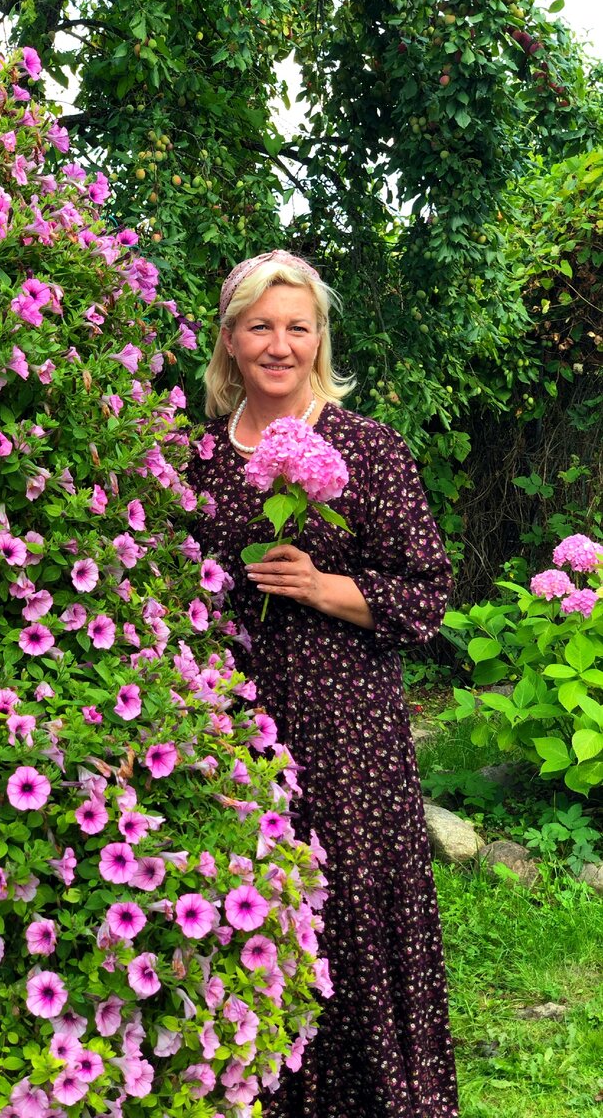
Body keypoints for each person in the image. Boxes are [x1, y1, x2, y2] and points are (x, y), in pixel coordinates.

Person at [185, 249, 459, 1118]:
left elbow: (426, 592)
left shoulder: (367, 447)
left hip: (348, 728)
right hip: (233, 726)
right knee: (256, 917)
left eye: (296, 327)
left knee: (347, 912)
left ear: (319, 340)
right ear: (229, 343)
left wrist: (323, 588)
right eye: (259, 326)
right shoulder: (193, 459)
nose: (279, 344)